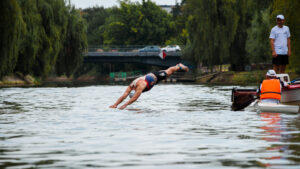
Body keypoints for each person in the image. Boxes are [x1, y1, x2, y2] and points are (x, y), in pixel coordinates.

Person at [109, 63, 189, 109]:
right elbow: (123, 96)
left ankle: (179, 66)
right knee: (167, 73)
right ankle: (177, 66)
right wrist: (115, 104)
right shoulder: (131, 86)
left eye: (136, 92)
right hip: (152, 82)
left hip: (154, 76)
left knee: (168, 72)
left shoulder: (140, 86)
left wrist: (125, 105)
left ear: (136, 90)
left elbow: (135, 98)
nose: (137, 92)